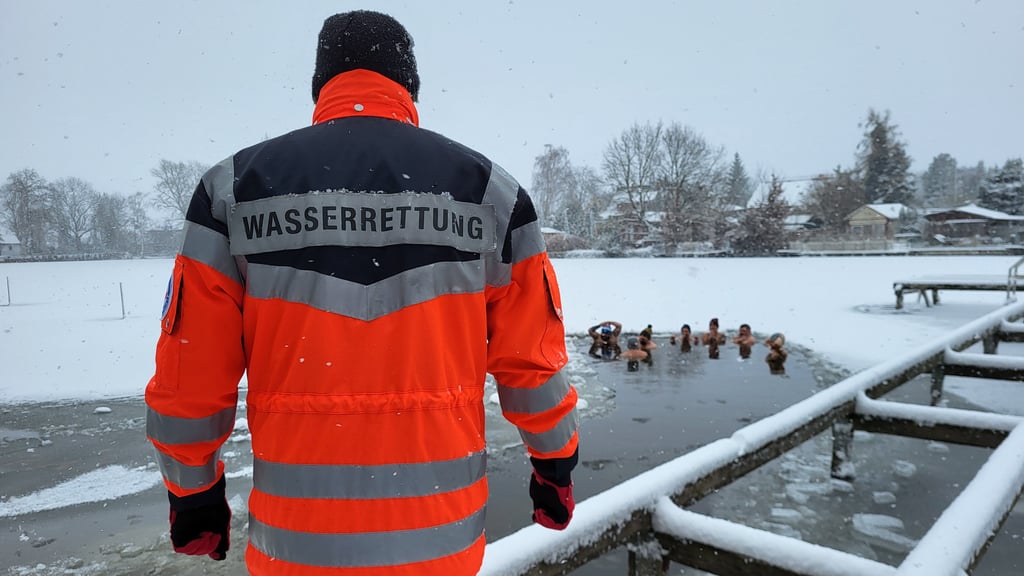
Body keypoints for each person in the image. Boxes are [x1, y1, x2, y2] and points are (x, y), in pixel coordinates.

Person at [144, 11, 579, 576]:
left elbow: (190, 378)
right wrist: (555, 466)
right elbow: (533, 364)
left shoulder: (232, 191)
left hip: (295, 547)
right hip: (442, 546)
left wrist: (193, 493)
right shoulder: (491, 194)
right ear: (410, 83)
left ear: (321, 84)